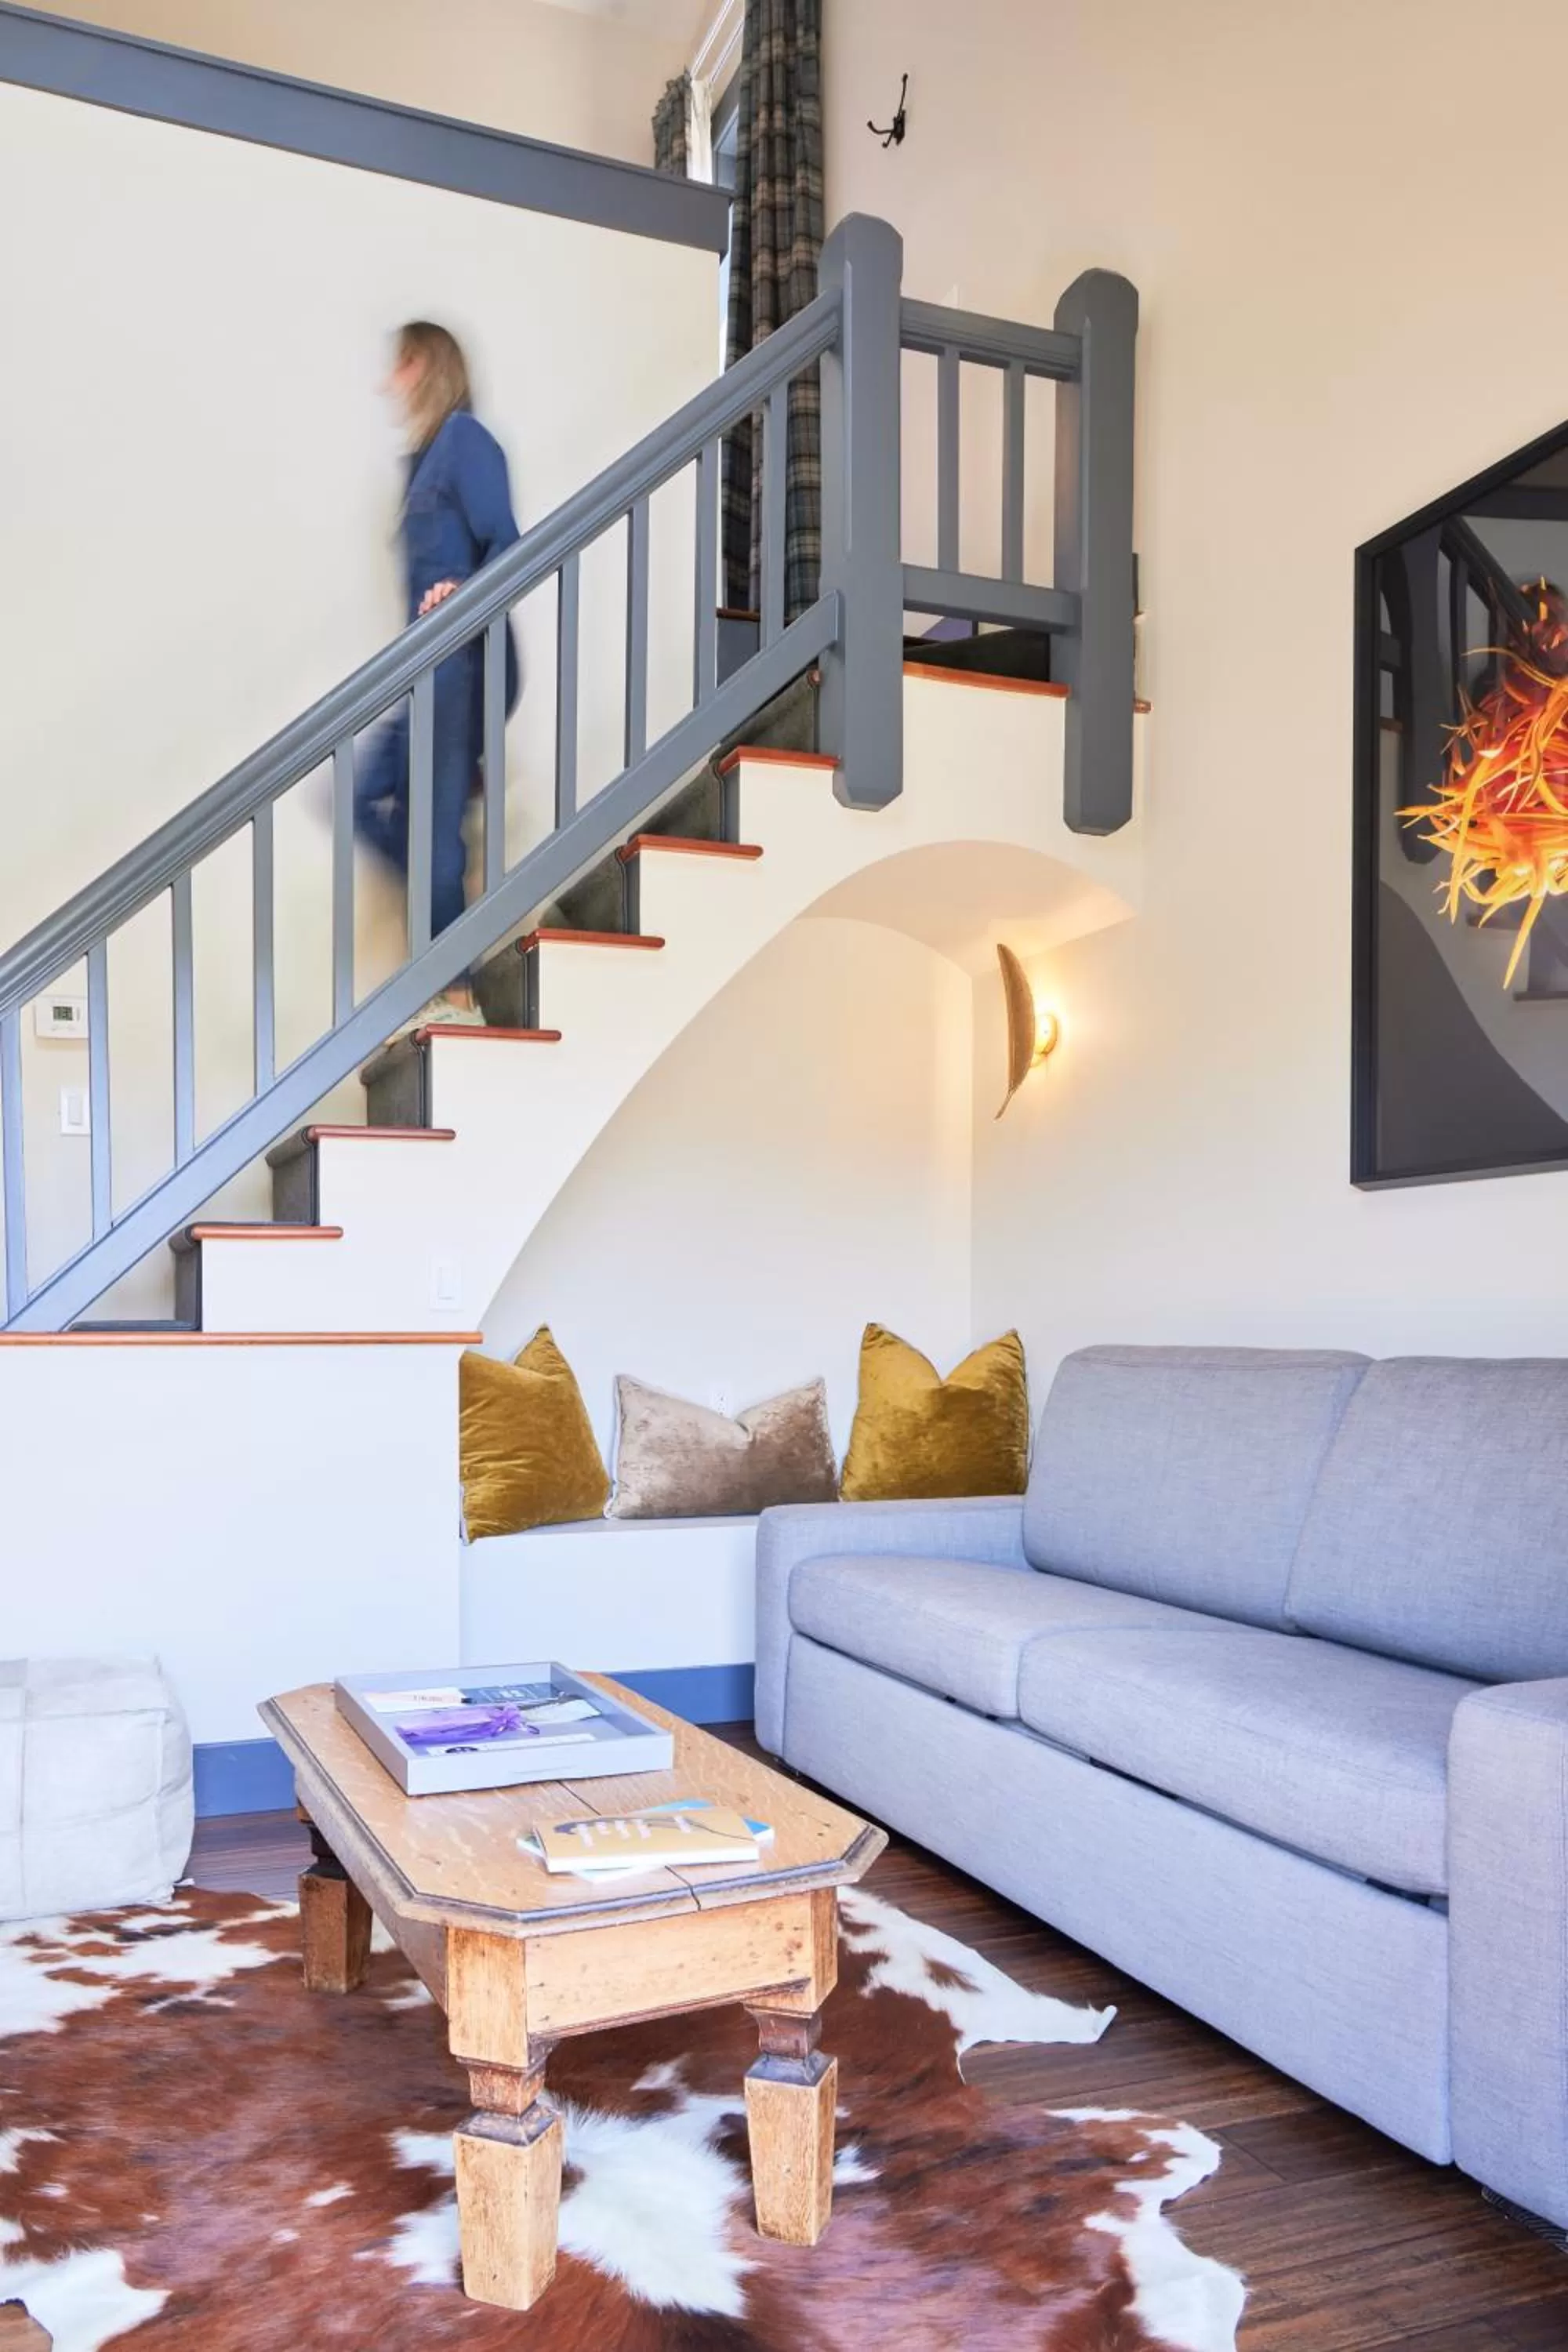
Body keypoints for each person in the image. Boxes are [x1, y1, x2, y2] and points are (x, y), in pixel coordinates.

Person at [355, 321, 521, 1022]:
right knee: (365, 796)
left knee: (435, 832)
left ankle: (456, 989)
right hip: (424, 668)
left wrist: (466, 593)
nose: (390, 381)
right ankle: (451, 898)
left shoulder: (465, 442)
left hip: (463, 662)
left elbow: (508, 543)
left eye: (401, 365)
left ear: (428, 366)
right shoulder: (421, 463)